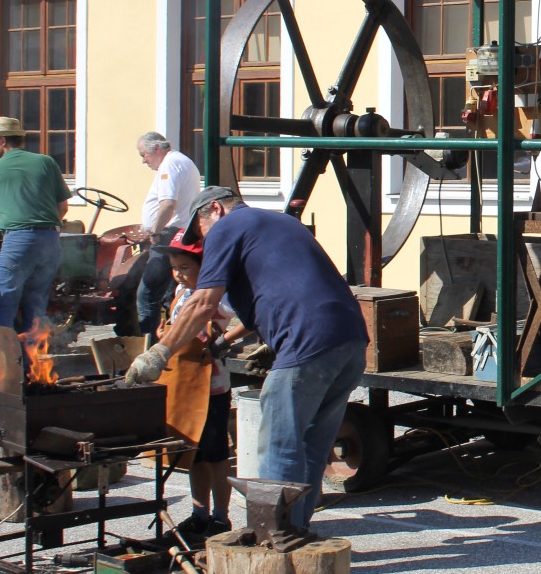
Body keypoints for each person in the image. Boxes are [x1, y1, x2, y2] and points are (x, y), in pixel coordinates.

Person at [125, 186, 368, 534]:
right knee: (313, 444)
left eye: (200, 230)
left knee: (280, 444)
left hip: (307, 342)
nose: (203, 242)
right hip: (350, 340)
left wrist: (160, 351)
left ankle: (274, 537)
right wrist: (230, 341)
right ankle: (296, 531)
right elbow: (279, 290)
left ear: (215, 211)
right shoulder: (280, 223)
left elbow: (204, 302)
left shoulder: (227, 226)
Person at [153, 235, 248, 541]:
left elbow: (250, 317)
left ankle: (221, 517)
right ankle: (199, 514)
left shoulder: (218, 296)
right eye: (174, 267)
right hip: (182, 385)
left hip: (211, 388)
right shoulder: (181, 292)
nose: (178, 273)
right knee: (193, 454)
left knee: (216, 455)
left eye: (184, 267)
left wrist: (224, 340)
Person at [0, 116, 73, 336]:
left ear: (2, 141)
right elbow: (63, 207)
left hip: (18, 241)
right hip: (50, 241)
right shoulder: (46, 162)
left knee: (5, 300)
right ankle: (33, 364)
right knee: (36, 305)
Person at [130, 131, 201, 335]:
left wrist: (155, 232)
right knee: (173, 294)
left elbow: (168, 204)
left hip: (168, 235)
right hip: (179, 233)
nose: (144, 160)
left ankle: (150, 344)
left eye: (144, 154)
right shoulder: (182, 161)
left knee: (147, 294)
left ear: (157, 149)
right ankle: (173, 337)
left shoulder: (169, 165)